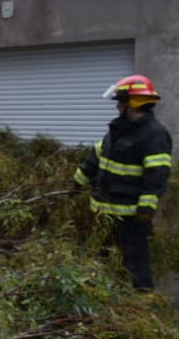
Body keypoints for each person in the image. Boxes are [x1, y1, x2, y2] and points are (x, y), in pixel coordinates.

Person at [74, 74, 173, 291]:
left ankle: (142, 303)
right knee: (102, 262)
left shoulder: (154, 135)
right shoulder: (117, 129)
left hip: (130, 216)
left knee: (134, 265)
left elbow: (157, 175)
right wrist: (75, 185)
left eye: (121, 101)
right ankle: (108, 300)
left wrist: (145, 208)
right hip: (102, 213)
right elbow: (95, 160)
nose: (118, 106)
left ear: (133, 103)